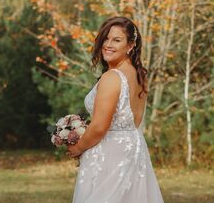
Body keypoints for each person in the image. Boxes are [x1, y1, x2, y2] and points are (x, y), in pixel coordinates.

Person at [67, 16, 164, 203]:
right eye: (106, 38)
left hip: (110, 153)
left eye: (117, 40)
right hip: (133, 146)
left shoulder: (112, 77)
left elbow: (99, 127)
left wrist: (77, 147)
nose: (108, 44)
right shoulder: (140, 75)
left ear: (130, 46)